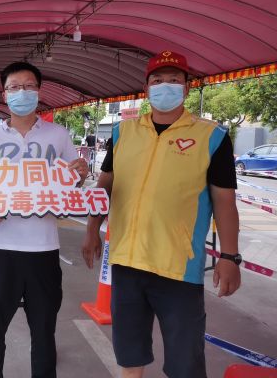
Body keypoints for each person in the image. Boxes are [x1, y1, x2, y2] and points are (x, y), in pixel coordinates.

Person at [82, 50, 241, 378]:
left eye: (173, 80)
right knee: (129, 355)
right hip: (126, 261)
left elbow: (225, 202)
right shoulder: (123, 132)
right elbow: (105, 185)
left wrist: (230, 257)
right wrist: (91, 230)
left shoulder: (212, 136)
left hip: (178, 268)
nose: (165, 86)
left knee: (185, 364)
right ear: (146, 88)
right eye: (157, 80)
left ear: (186, 87)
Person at [0, 61, 89, 378]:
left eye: (29, 86)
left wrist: (81, 174)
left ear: (39, 91)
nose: (22, 92)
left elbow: (73, 182)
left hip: (43, 249)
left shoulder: (59, 135)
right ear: (4, 94)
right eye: (14, 87)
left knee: (43, 331)